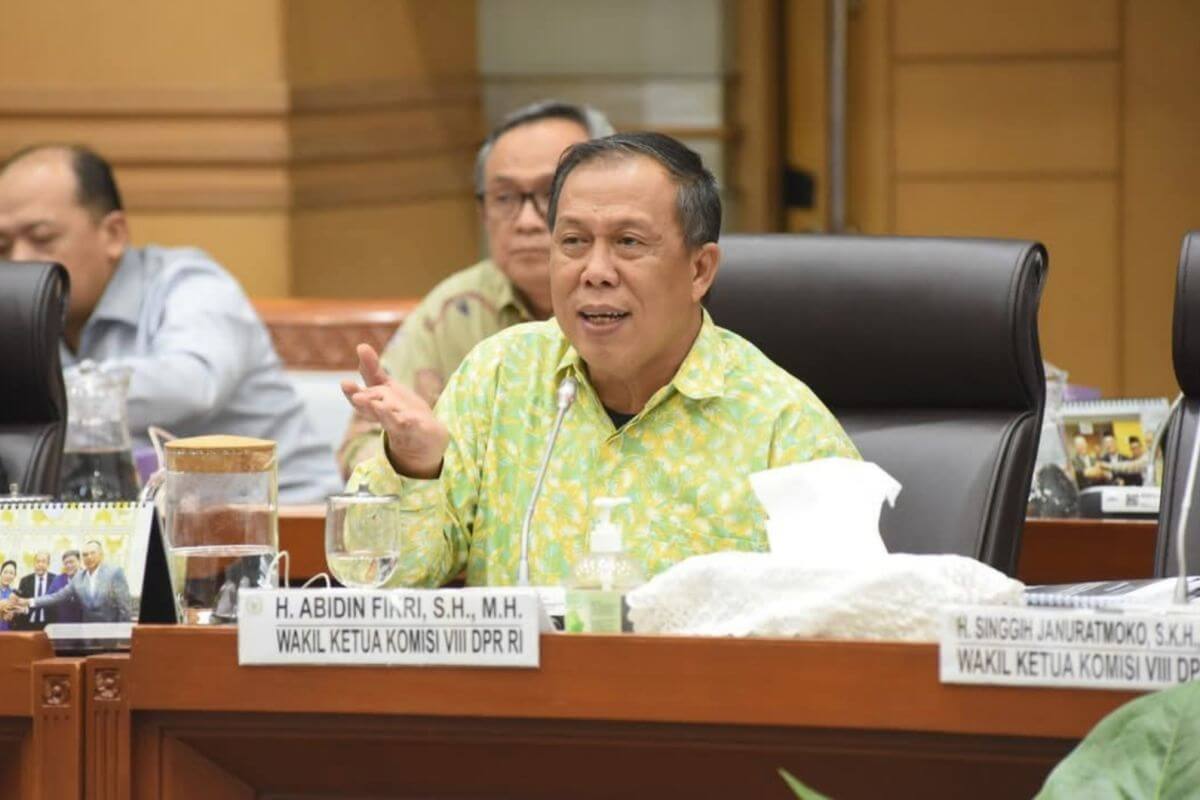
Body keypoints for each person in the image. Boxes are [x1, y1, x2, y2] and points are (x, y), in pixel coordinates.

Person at [342, 132, 859, 588]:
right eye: (573, 242)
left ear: (699, 270)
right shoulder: (499, 376)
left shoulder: (783, 425)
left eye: (628, 242)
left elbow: (845, 619)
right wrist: (415, 466)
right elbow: (382, 582)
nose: (595, 271)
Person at [0, 145, 341, 503]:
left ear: (113, 234)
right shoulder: (20, 316)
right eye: (3, 246)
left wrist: (35, 392)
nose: (19, 260)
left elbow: (194, 384)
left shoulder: (190, 284)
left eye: (42, 238)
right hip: (136, 526)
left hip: (285, 517)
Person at [337, 100, 614, 477]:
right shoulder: (455, 310)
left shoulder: (642, 301)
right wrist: (414, 458)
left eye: (550, 194)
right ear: (483, 213)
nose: (527, 221)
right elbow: (361, 449)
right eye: (505, 198)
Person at [9, 540, 131, 623]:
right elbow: (55, 597)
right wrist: (27, 601)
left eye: (92, 553)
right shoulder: (79, 578)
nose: (89, 557)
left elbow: (124, 608)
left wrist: (123, 633)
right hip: (87, 635)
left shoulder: (114, 573)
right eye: (85, 555)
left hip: (110, 633)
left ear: (101, 554)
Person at [13, 551, 55, 631]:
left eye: (43, 561)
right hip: (27, 624)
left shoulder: (55, 580)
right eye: (38, 561)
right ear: (34, 564)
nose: (40, 564)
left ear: (48, 564)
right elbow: (20, 604)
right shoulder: (25, 580)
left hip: (49, 626)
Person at [47, 550, 83, 624]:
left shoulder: (88, 577)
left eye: (71, 562)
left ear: (79, 562)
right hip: (63, 625)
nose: (68, 565)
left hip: (85, 625)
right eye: (66, 563)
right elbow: (48, 599)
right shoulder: (58, 579)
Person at [0, 561, 17, 631]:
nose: (8, 576)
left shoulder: (15, 594)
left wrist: (13, 613)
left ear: (14, 576)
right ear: (1, 573)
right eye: (5, 572)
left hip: (8, 633)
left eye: (11, 573)